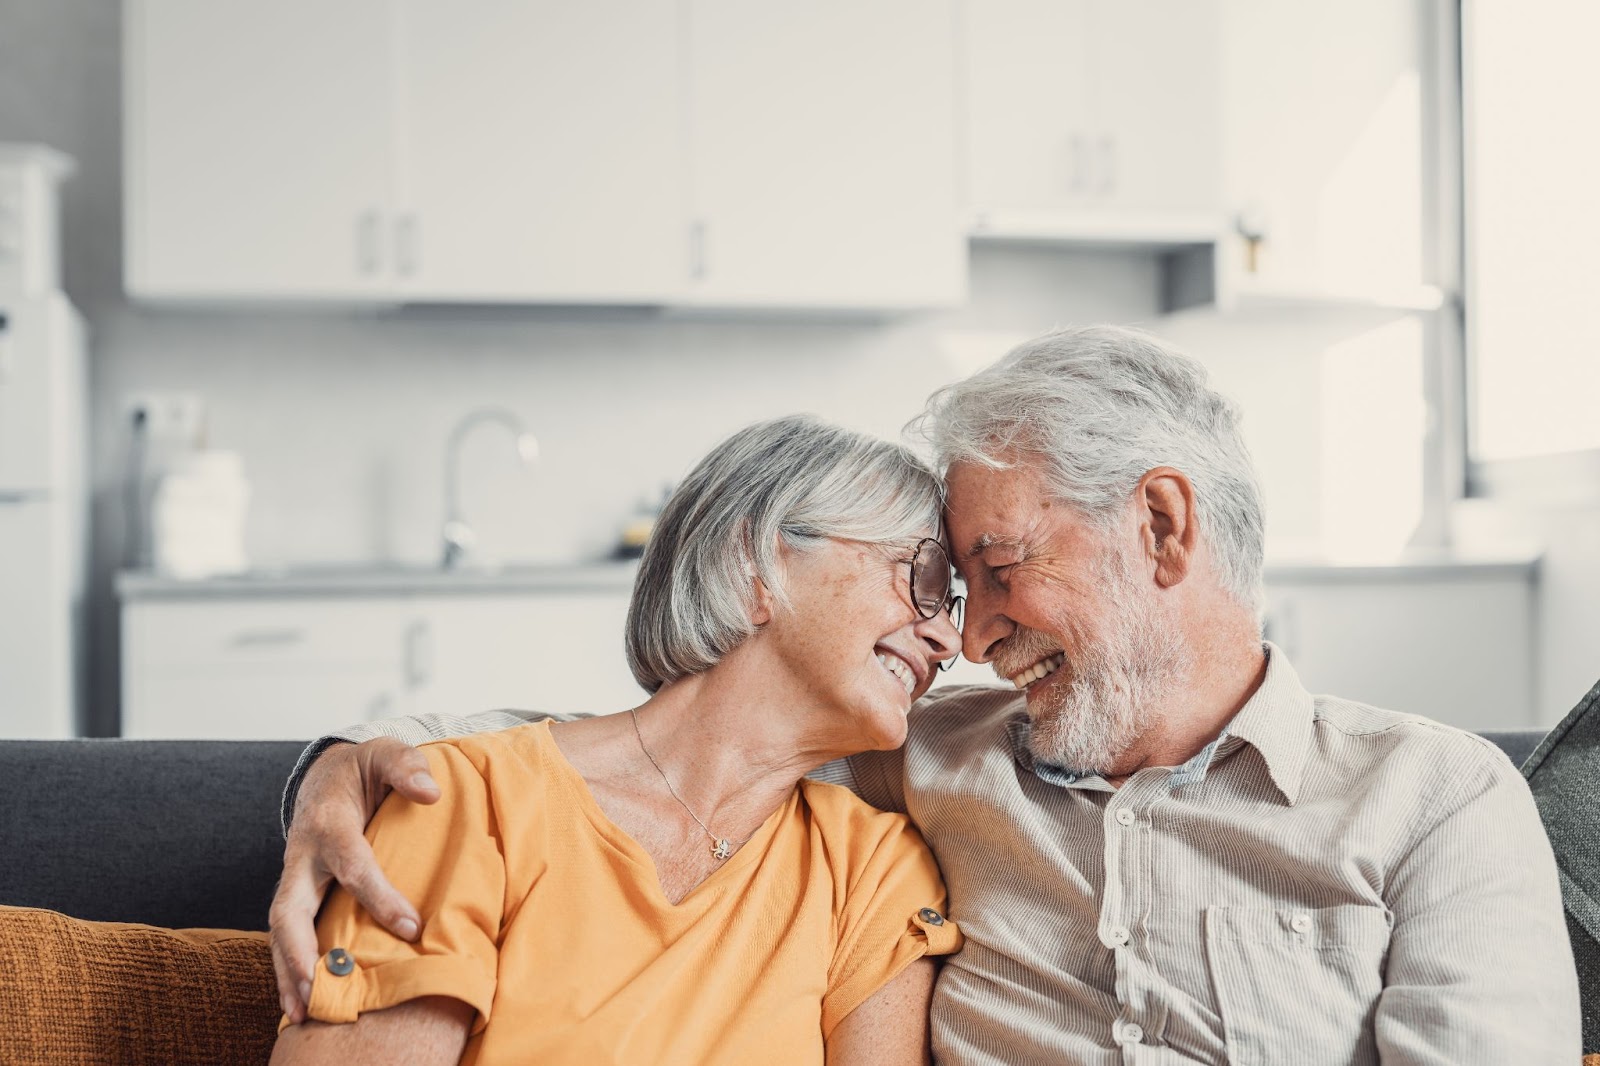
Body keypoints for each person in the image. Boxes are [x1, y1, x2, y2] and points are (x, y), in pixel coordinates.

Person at [273, 326, 1582, 1064]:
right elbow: (618, 762)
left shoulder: (1437, 801)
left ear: (1165, 526)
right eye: (940, 583)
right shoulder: (937, 767)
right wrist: (352, 761)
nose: (966, 637)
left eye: (991, 572)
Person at [269, 415, 965, 1065]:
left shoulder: (873, 870)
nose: (948, 637)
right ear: (755, 565)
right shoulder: (461, 804)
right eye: (923, 579)